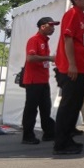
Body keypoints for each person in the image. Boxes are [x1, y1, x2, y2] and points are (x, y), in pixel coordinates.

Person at [53, 0, 84, 155]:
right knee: (68, 106)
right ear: (76, 0)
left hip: (80, 69)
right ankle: (60, 144)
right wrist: (72, 64)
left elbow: (81, 44)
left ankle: (68, 138)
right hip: (71, 69)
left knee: (75, 105)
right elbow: (68, 39)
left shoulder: (81, 17)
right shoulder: (72, 14)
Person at [21, 16, 59, 144]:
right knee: (31, 109)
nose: (53, 28)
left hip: (43, 80)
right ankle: (27, 135)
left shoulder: (44, 41)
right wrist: (49, 58)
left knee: (45, 108)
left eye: (54, 26)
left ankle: (49, 133)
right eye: (51, 26)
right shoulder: (34, 40)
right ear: (43, 27)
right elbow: (30, 58)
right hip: (33, 81)